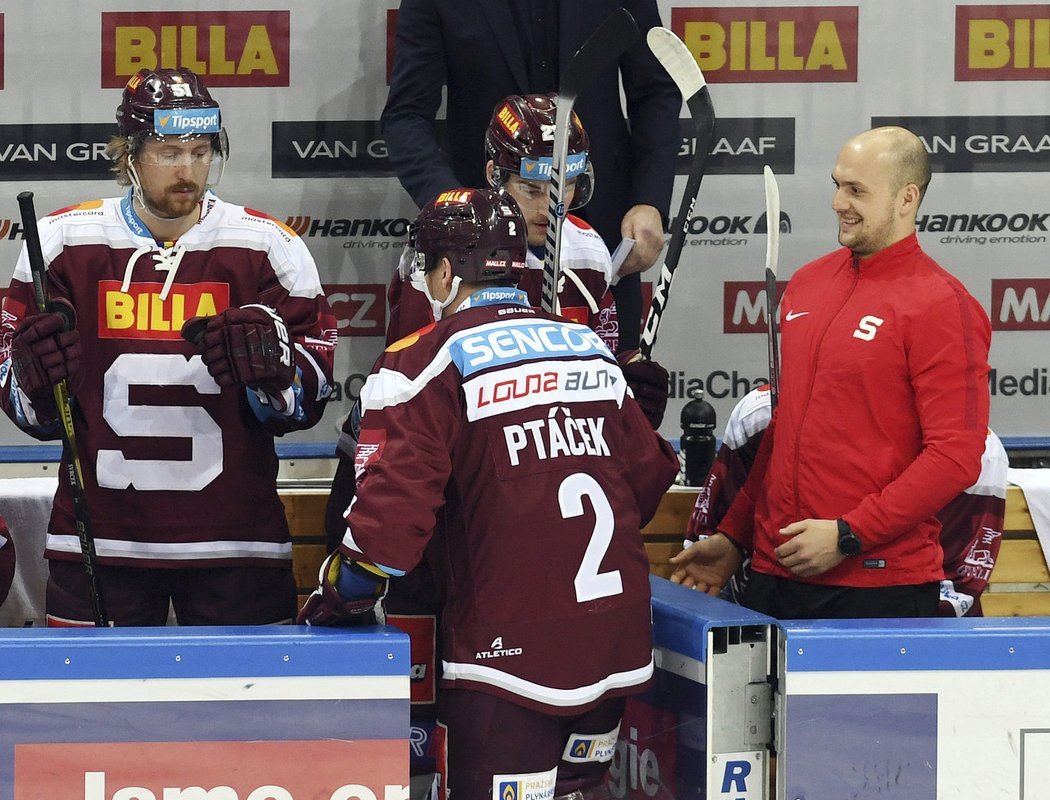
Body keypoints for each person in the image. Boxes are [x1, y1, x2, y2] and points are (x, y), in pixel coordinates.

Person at [303, 186, 684, 800]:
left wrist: (343, 591)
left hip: (511, 647)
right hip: (616, 631)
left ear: (439, 273)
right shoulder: (588, 344)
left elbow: (387, 527)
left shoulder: (419, 363)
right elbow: (648, 472)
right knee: (579, 794)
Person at [0, 68, 336, 627]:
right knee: (93, 713)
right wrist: (32, 379)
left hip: (238, 544)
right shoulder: (63, 242)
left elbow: (309, 397)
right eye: (169, 152)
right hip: (102, 545)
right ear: (128, 154)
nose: (188, 171)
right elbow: (31, 408)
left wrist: (277, 373)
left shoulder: (268, 246)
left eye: (201, 152)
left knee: (247, 713)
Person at [671, 127, 992, 618]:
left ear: (907, 198)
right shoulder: (806, 284)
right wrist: (735, 537)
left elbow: (955, 456)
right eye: (837, 184)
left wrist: (848, 535)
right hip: (775, 574)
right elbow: (786, 431)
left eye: (857, 190)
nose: (839, 202)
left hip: (882, 587)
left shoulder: (943, 305)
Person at [380, 0, 682, 350]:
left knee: (612, 390)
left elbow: (655, 91)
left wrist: (649, 200)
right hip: (481, 248)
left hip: (601, 234)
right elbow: (406, 115)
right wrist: (459, 210)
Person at [686, 384, 1008, 617]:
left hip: (903, 635)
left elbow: (958, 585)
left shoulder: (975, 451)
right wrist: (732, 542)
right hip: (767, 620)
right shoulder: (761, 413)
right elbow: (712, 536)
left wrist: (847, 539)